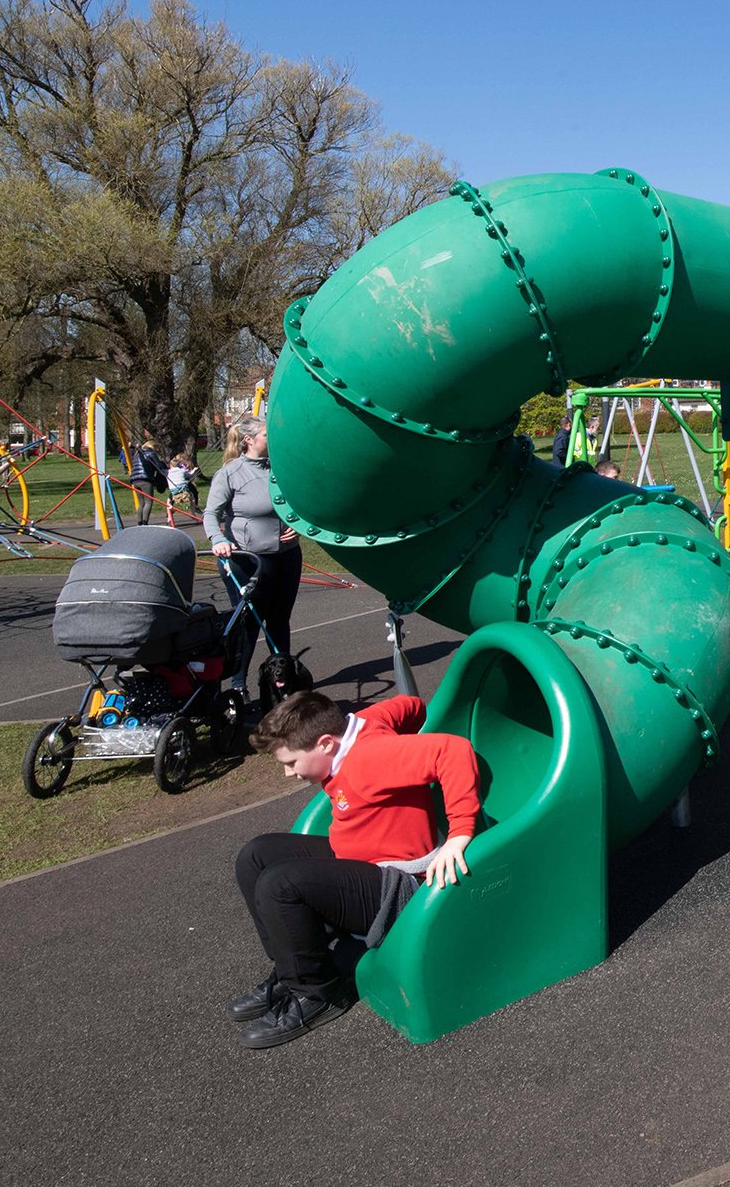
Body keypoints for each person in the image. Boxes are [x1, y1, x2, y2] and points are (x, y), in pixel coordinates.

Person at [230, 690, 481, 1048]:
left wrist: (459, 834)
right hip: (358, 861)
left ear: (326, 743)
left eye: (292, 762)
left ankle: (318, 993)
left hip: (396, 885)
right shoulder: (362, 726)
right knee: (256, 856)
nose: (288, 773)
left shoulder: (371, 757)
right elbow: (410, 704)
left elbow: (451, 751)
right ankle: (291, 971)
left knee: (279, 884)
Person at [206, 417, 300, 694]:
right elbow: (211, 513)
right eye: (265, 435)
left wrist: (297, 526)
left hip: (287, 556)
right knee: (248, 622)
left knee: (280, 619)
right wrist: (218, 539)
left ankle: (283, 682)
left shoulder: (280, 469)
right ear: (248, 440)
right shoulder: (231, 473)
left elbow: (297, 503)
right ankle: (238, 683)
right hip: (249, 560)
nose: (271, 439)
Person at [128, 435, 165, 526]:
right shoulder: (150, 453)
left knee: (141, 502)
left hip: (134, 480)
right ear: (153, 446)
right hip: (145, 479)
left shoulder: (137, 454)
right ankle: (145, 522)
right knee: (148, 501)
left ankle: (139, 522)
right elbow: (158, 466)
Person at [165, 451, 197, 527]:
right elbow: (190, 475)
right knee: (192, 499)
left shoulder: (167, 472)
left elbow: (161, 471)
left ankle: (169, 517)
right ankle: (193, 513)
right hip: (184, 490)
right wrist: (194, 470)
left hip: (173, 491)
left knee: (168, 502)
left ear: (170, 465)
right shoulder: (182, 471)